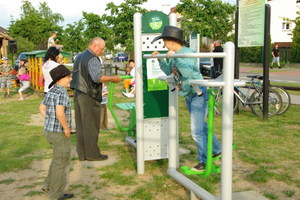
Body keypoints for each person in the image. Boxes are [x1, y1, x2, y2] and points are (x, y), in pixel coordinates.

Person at [151, 26, 222, 172]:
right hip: (189, 95)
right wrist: (161, 59)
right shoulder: (174, 53)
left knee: (196, 131)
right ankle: (217, 149)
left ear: (171, 41)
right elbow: (168, 70)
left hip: (198, 94)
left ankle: (204, 162)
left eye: (164, 41)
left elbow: (187, 71)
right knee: (201, 126)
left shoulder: (188, 53)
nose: (164, 45)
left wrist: (174, 57)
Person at [70, 37, 122, 161]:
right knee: (91, 125)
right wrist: (113, 78)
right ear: (94, 46)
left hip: (78, 93)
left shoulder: (79, 57)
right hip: (89, 95)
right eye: (102, 49)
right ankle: (92, 154)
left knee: (81, 125)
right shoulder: (93, 58)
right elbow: (97, 78)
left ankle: (82, 154)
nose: (103, 52)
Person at [39, 65, 77, 200]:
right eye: (68, 77)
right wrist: (66, 128)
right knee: (62, 162)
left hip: (49, 132)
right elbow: (60, 112)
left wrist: (50, 121)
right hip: (59, 134)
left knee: (57, 159)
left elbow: (42, 108)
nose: (70, 79)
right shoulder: (61, 93)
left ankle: (48, 185)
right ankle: (56, 194)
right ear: (60, 79)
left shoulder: (51, 91)